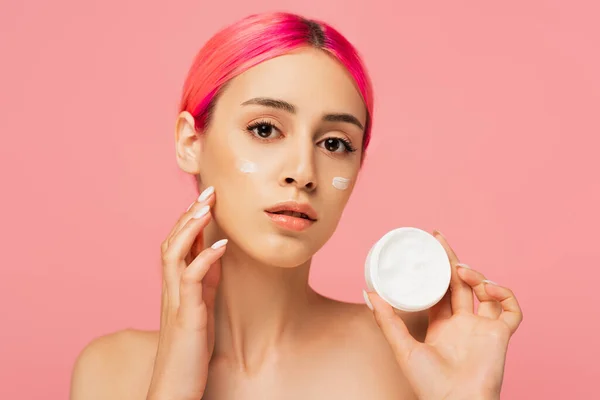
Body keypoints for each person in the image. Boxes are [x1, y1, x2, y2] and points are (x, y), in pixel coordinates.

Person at [70, 11, 523, 400]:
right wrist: (172, 386)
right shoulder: (109, 373)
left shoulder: (413, 353)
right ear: (191, 141)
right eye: (265, 130)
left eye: (333, 142)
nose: (303, 171)